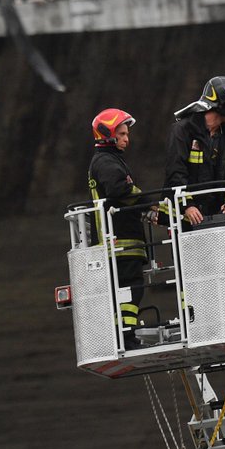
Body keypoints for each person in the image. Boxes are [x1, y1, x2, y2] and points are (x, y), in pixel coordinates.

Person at [88, 108, 148, 348]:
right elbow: (118, 190)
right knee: (131, 288)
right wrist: (149, 203)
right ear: (108, 134)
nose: (127, 139)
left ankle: (126, 334)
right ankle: (126, 336)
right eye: (122, 134)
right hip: (120, 240)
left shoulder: (109, 160)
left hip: (122, 240)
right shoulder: (106, 161)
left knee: (129, 289)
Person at [165, 76, 225, 227]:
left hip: (217, 217)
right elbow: (175, 172)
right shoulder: (183, 130)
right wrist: (187, 205)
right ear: (221, 103)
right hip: (186, 218)